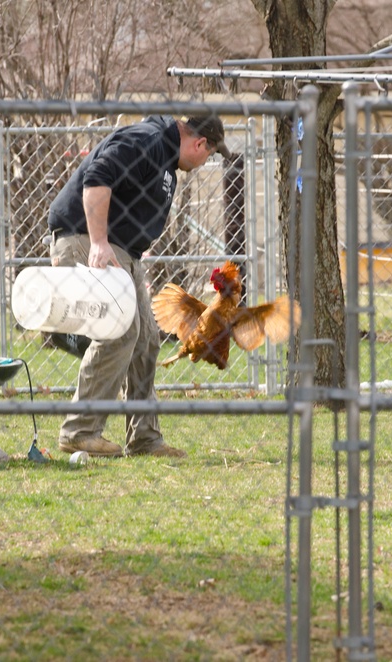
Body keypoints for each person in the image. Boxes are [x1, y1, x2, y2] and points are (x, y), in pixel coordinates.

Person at [46, 114, 231, 458]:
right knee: (119, 331)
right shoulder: (147, 141)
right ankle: (79, 431)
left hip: (122, 251)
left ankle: (144, 438)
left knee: (146, 340)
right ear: (200, 143)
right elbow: (97, 176)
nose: (206, 161)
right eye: (210, 154)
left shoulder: (165, 156)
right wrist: (100, 242)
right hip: (87, 239)